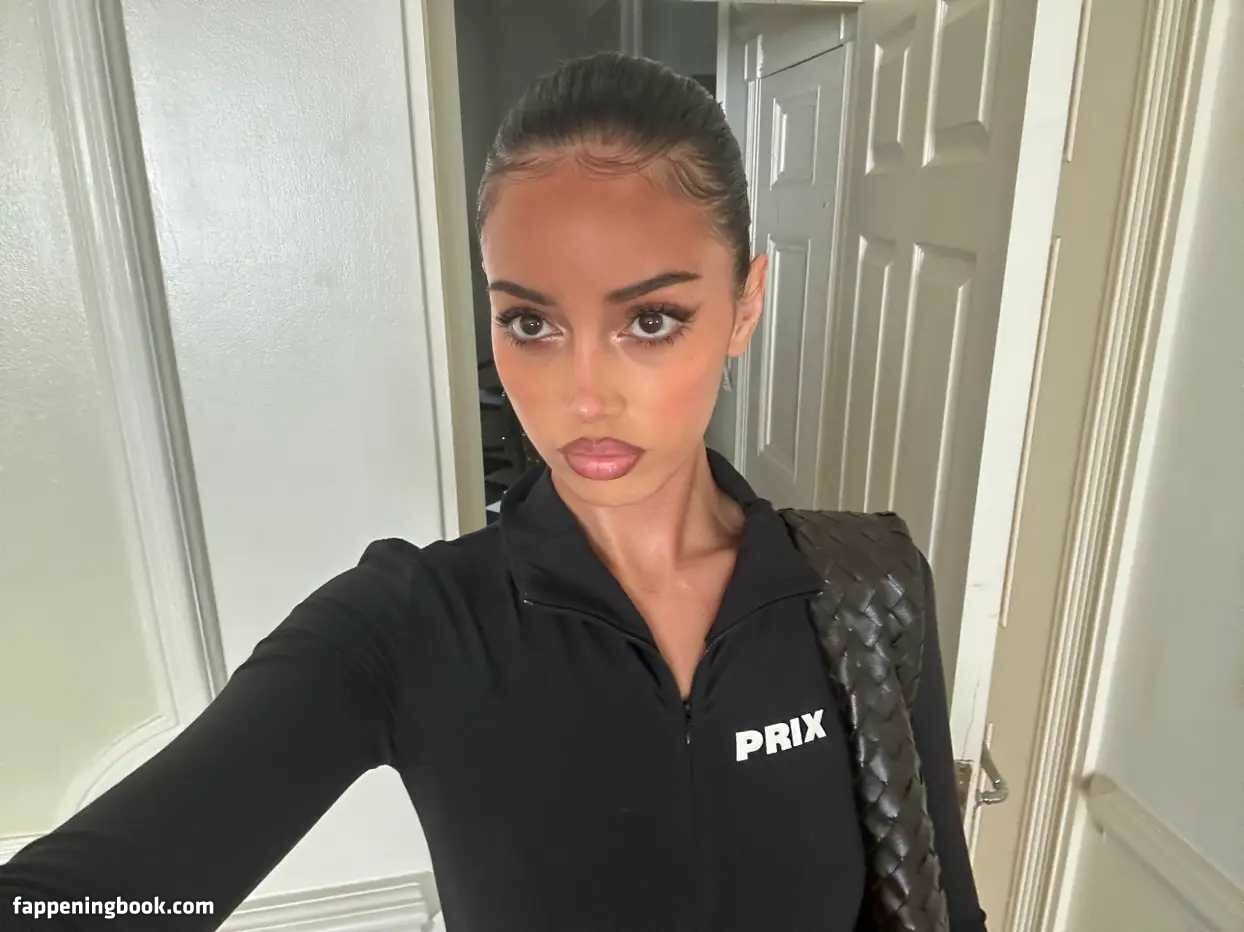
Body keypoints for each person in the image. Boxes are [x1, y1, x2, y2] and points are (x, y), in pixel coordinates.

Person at [0, 52, 988, 931]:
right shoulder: (406, 628)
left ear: (744, 305)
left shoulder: (869, 586)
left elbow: (948, 908)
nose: (583, 395)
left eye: (650, 320)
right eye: (531, 323)